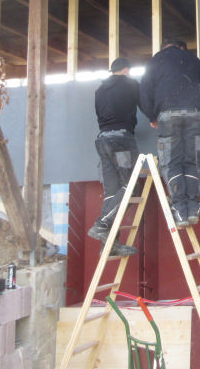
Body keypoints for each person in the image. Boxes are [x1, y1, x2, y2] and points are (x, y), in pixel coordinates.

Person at [140, 38, 200, 227]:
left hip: (168, 115)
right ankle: (193, 209)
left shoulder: (154, 62)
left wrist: (152, 116)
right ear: (179, 47)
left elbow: (144, 92)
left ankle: (179, 210)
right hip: (194, 113)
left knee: (171, 162)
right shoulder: (191, 58)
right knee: (192, 161)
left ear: (163, 48)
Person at [87, 57, 140, 257]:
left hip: (103, 141)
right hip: (121, 141)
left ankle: (109, 245)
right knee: (131, 186)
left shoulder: (100, 90)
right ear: (126, 70)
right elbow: (145, 104)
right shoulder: (130, 84)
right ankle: (102, 224)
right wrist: (154, 118)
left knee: (112, 192)